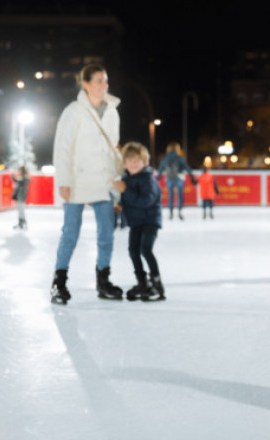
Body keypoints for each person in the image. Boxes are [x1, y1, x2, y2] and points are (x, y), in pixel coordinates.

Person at [50, 63, 124, 305]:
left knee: (106, 234)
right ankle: (59, 283)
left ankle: (103, 280)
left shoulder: (112, 111)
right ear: (86, 84)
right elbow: (63, 148)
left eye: (106, 80)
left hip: (103, 180)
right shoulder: (74, 111)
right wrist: (63, 181)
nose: (105, 85)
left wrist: (117, 178)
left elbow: (113, 148)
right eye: (99, 81)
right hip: (77, 180)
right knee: (70, 233)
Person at [112, 142, 165, 301]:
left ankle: (156, 284)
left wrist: (125, 190)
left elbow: (146, 201)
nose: (134, 164)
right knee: (133, 251)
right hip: (135, 222)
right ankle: (142, 282)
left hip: (149, 220)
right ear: (124, 163)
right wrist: (120, 205)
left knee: (145, 249)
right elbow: (128, 199)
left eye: (137, 160)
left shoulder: (147, 179)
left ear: (145, 162)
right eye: (130, 160)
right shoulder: (126, 178)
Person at [156, 142, 196, 220]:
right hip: (179, 178)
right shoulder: (179, 157)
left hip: (169, 179)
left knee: (170, 196)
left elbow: (161, 169)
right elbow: (186, 167)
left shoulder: (165, 158)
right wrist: (192, 176)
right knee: (180, 195)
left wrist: (158, 177)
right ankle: (180, 212)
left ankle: (171, 212)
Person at [12, 165, 30, 230]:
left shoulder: (24, 178)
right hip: (21, 196)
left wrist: (13, 178)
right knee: (20, 209)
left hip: (21, 196)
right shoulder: (24, 178)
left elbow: (18, 182)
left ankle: (22, 222)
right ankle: (22, 222)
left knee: (21, 210)